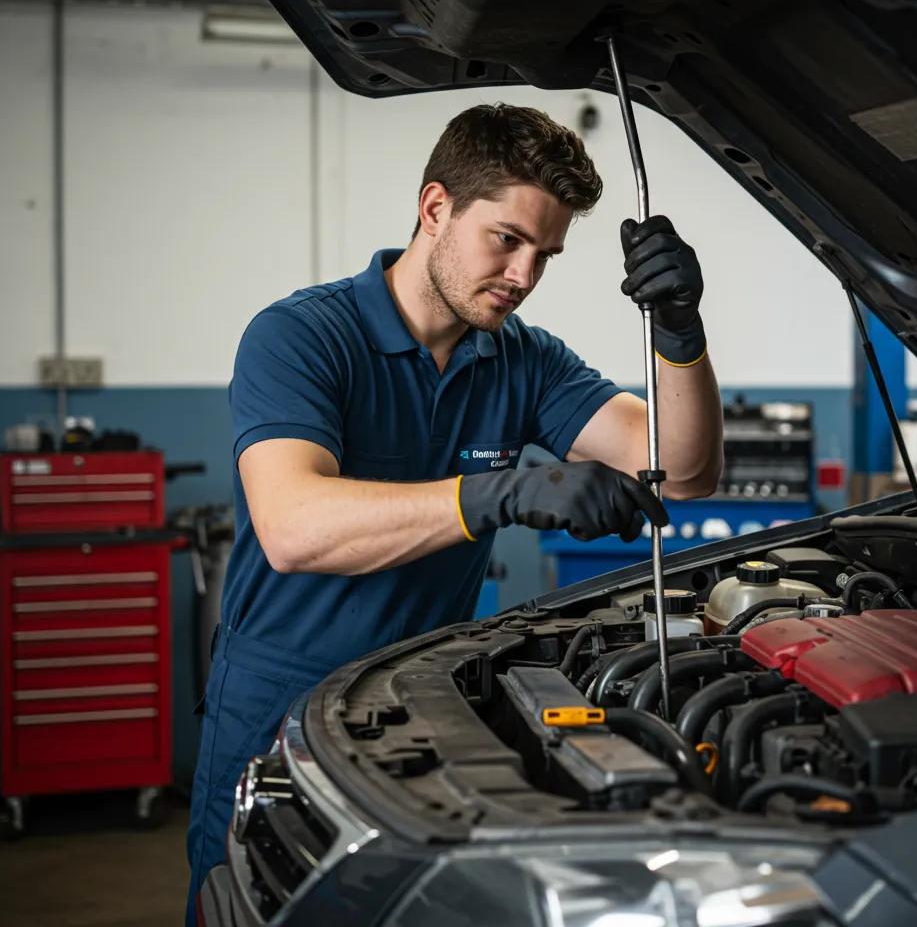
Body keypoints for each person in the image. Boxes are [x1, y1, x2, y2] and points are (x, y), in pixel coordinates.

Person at [185, 103, 723, 921]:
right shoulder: (301, 336)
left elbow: (682, 470)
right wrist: (501, 493)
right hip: (276, 712)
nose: (523, 275)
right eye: (506, 240)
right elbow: (293, 527)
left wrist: (680, 333)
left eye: (545, 254)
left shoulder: (524, 359)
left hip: (416, 707)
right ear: (435, 208)